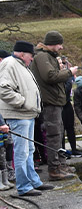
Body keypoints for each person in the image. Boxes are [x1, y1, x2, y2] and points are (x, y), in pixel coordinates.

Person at [0, 41, 55, 196]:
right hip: (18, 115)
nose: (32, 59)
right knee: (21, 152)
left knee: (29, 150)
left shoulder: (20, 65)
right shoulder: (9, 64)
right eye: (31, 55)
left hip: (27, 114)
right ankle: (24, 187)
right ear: (23, 54)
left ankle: (34, 181)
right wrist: (23, 103)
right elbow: (3, 89)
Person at [30, 31, 78, 181]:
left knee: (59, 133)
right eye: (59, 44)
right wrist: (69, 72)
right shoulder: (42, 57)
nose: (61, 47)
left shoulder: (49, 57)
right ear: (52, 43)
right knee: (54, 134)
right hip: (49, 102)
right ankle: (54, 168)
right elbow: (50, 76)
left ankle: (61, 164)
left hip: (56, 101)